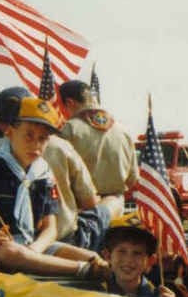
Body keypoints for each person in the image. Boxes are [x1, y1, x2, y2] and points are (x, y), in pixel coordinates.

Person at [0, 97, 108, 277]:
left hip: (32, 244)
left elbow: (51, 228)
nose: (36, 145)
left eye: (43, 139)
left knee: (91, 256)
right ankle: (82, 270)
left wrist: (35, 249)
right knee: (10, 253)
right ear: (10, 132)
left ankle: (105, 271)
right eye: (28, 136)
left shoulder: (44, 175)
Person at [0, 86, 119, 253]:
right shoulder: (59, 146)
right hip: (65, 240)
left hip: (16, 243)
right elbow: (90, 202)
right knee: (114, 200)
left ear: (1, 124)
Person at [58, 80, 138, 215]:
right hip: (115, 209)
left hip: (82, 210)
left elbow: (58, 173)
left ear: (70, 103)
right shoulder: (123, 130)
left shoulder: (70, 129)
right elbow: (133, 178)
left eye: (63, 107)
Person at [100, 214, 176, 297]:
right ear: (107, 256)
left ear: (150, 261)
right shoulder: (94, 293)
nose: (128, 260)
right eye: (122, 251)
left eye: (137, 253)